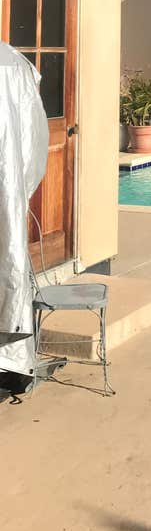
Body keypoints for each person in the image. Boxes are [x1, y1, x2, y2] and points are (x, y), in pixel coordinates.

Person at [0, 42, 49, 395]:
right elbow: (34, 145)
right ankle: (12, 363)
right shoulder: (13, 63)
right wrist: (18, 189)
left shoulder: (12, 64)